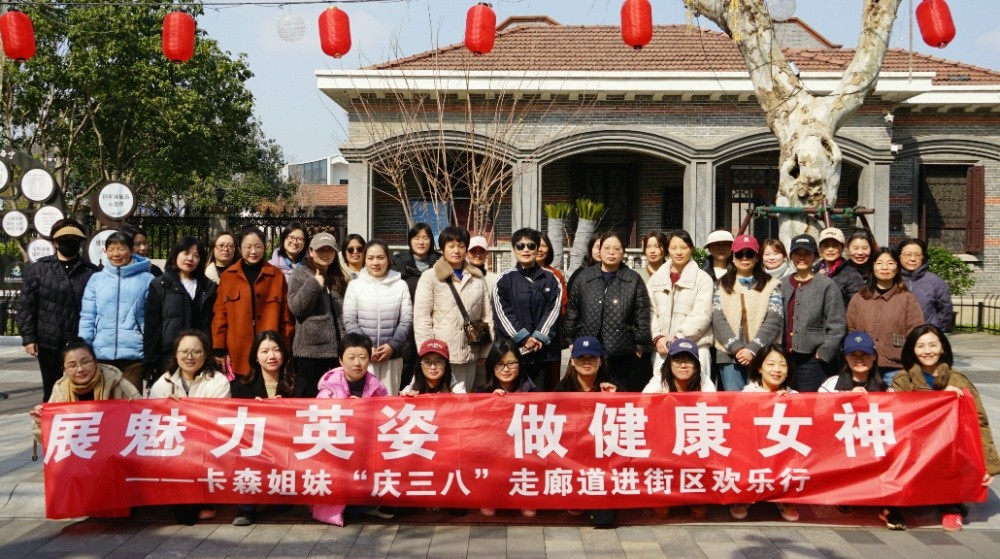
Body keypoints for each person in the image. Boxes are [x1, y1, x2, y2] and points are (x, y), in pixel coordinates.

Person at [892, 324, 999, 532]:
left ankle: (952, 507)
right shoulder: (902, 380)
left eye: (933, 345)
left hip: (950, 449)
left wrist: (988, 465)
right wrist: (940, 398)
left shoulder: (958, 380)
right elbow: (899, 419)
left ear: (943, 348)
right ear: (912, 350)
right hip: (916, 448)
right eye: (921, 346)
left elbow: (979, 421)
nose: (927, 351)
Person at [817, 331, 900, 527]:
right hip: (841, 448)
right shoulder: (831, 385)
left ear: (874, 356)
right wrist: (845, 399)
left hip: (874, 450)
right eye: (853, 354)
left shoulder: (886, 390)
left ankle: (888, 506)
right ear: (845, 357)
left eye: (865, 354)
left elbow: (896, 424)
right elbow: (819, 417)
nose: (859, 359)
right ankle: (847, 492)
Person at [148, 330, 230, 524]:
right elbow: (151, 418)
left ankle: (205, 501)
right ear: (176, 354)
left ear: (206, 354)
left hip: (205, 444)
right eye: (184, 351)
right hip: (173, 445)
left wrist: (183, 410)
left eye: (196, 351)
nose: (189, 357)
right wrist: (164, 406)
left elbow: (219, 419)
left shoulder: (219, 382)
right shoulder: (163, 382)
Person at [309, 332, 391, 526]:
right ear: (340, 360)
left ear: (369, 359)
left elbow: (387, 420)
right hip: (338, 455)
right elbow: (321, 427)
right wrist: (347, 412)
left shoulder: (378, 388)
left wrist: (366, 410)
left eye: (362, 357)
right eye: (351, 357)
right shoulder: (328, 391)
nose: (357, 363)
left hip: (367, 454)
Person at [17, 218, 99, 402]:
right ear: (55, 242)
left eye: (74, 239)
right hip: (49, 341)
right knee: (52, 391)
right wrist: (29, 338)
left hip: (81, 343)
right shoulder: (39, 269)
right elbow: (26, 305)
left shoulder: (91, 272)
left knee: (84, 391)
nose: (69, 243)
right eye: (64, 240)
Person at [565, 231, 651, 392]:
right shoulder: (584, 277)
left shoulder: (633, 279)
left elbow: (642, 314)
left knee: (620, 394)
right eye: (607, 248)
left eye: (617, 249)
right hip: (588, 348)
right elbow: (573, 310)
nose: (612, 253)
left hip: (622, 350)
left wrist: (640, 344)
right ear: (599, 251)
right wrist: (570, 339)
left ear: (623, 252)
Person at [413, 226, 493, 390]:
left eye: (461, 246)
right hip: (441, 356)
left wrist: (486, 351)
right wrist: (429, 353)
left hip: (471, 353)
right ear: (442, 249)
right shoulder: (430, 277)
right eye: (451, 246)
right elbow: (422, 318)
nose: (456, 250)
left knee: (466, 399)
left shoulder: (477, 278)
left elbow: (487, 316)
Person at [229, 330, 296, 526]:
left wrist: (286, 409)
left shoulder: (298, 386)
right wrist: (253, 411)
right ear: (256, 357)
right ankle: (246, 508)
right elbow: (230, 420)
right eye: (264, 351)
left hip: (285, 447)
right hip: (253, 446)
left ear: (284, 354)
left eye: (276, 350)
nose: (271, 356)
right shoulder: (240, 387)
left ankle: (281, 496)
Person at [643, 338, 711, 520]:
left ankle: (694, 493)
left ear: (696, 364)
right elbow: (640, 405)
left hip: (693, 440)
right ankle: (663, 493)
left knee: (700, 513)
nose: (683, 365)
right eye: (678, 360)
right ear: (669, 362)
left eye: (689, 360)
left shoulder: (704, 381)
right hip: (663, 442)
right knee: (661, 512)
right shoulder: (659, 379)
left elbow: (715, 409)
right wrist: (653, 402)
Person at [212, 226, 295, 377]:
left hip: (271, 353)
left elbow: (285, 317)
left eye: (258, 246)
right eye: (248, 247)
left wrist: (285, 347)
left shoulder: (276, 276)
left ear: (265, 247)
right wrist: (219, 349)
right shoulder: (228, 277)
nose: (253, 251)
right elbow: (220, 315)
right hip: (238, 352)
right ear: (239, 248)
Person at [553, 336, 617, 526]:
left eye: (592, 357)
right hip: (572, 454)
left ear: (601, 361)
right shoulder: (561, 389)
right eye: (581, 357)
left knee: (605, 519)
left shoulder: (612, 387)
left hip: (602, 456)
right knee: (575, 509)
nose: (586, 362)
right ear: (572, 361)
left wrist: (613, 401)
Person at [79, 230, 154, 392]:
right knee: (103, 400)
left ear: (131, 250)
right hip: (101, 353)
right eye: (111, 249)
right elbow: (87, 316)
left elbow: (152, 318)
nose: (116, 254)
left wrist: (149, 348)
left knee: (130, 400)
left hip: (134, 356)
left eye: (121, 248)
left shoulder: (147, 279)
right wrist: (85, 346)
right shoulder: (97, 279)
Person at [732, 344, 799, 522]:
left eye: (782, 365)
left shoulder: (795, 395)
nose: (777, 369)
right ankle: (743, 496)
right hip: (752, 453)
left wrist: (792, 405)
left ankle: (786, 498)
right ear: (759, 368)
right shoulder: (746, 394)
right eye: (770, 364)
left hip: (782, 454)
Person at [474, 338, 539, 518]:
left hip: (522, 451)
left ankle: (526, 493)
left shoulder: (532, 392)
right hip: (494, 452)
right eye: (500, 364)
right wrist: (489, 403)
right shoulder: (481, 393)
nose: (506, 369)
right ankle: (491, 494)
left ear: (520, 364)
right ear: (491, 366)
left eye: (511, 363)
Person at [711, 234, 784, 391]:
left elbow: (774, 320)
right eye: (739, 254)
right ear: (733, 257)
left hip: (763, 356)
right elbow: (717, 319)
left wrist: (752, 349)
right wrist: (737, 348)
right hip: (729, 355)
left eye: (749, 254)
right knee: (736, 403)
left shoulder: (772, 285)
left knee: (762, 402)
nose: (744, 258)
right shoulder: (721, 285)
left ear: (757, 257)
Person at [492, 228, 562, 390]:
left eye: (531, 246)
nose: (526, 250)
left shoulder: (551, 279)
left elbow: (554, 310)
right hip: (512, 353)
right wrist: (523, 338)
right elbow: (502, 314)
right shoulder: (503, 280)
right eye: (520, 246)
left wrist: (538, 337)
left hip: (542, 353)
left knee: (540, 399)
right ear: (514, 249)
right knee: (512, 397)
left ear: (537, 249)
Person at [29, 339, 140, 441]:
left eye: (85, 362)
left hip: (113, 446)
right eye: (72, 366)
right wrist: (41, 422)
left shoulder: (118, 384)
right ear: (64, 370)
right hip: (78, 450)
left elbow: (143, 420)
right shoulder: (61, 391)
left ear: (95, 361)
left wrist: (133, 411)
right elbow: (47, 439)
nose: (80, 369)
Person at [343, 239, 412, 395]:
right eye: (370, 258)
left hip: (392, 357)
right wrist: (366, 347)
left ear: (388, 259)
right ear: (365, 260)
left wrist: (392, 346)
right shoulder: (355, 286)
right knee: (364, 401)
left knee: (389, 400)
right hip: (363, 357)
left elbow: (406, 320)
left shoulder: (400, 285)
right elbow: (350, 320)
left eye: (380, 257)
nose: (375, 262)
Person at [646, 230, 713, 391]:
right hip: (663, 348)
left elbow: (702, 313)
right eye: (673, 247)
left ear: (691, 248)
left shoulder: (703, 279)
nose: (678, 252)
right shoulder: (656, 279)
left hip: (696, 348)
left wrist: (679, 338)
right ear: (667, 249)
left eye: (683, 247)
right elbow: (649, 311)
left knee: (698, 393)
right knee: (661, 393)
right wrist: (657, 337)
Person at [144, 236, 217, 384]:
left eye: (196, 255)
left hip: (199, 355)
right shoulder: (160, 285)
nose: (190, 258)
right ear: (176, 254)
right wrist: (152, 361)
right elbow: (152, 325)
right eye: (186, 253)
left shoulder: (208, 287)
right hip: (169, 356)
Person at [846, 247, 924, 384]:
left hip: (896, 368)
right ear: (873, 267)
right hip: (863, 366)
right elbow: (851, 330)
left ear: (897, 268)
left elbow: (916, 334)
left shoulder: (907, 299)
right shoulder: (859, 298)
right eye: (879, 263)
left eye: (890, 263)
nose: (884, 267)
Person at [287, 232, 350, 397]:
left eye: (329, 250)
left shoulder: (338, 277)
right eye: (321, 249)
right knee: (310, 400)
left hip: (337, 353)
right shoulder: (300, 274)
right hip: (310, 353)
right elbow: (297, 308)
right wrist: (313, 284)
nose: (325, 254)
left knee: (336, 398)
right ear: (311, 251)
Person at [781, 234, 846, 392]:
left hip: (813, 359)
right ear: (791, 257)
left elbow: (837, 324)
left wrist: (824, 352)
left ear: (815, 256)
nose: (801, 258)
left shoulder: (826, 285)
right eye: (797, 253)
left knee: (809, 401)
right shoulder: (782, 284)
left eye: (807, 254)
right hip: (785, 358)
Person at [392, 223, 441, 391]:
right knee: (407, 370)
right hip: (407, 326)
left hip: (434, 324)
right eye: (416, 237)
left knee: (433, 367)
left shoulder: (441, 263)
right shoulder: (398, 264)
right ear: (410, 240)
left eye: (425, 238)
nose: (421, 242)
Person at [897, 238, 954, 332]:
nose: (912, 259)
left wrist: (936, 331)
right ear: (899, 257)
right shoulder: (892, 279)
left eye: (917, 255)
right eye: (908, 255)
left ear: (923, 257)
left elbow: (945, 309)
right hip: (897, 337)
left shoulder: (935, 282)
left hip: (926, 336)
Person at [537, 231, 568, 388]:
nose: (540, 249)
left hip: (550, 338)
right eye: (536, 245)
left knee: (550, 381)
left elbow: (562, 306)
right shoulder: (516, 275)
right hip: (525, 339)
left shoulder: (556, 275)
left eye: (543, 245)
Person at [815, 227, 864, 307]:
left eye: (835, 245)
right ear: (820, 248)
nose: (830, 249)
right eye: (826, 246)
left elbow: (857, 306)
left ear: (842, 248)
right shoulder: (813, 272)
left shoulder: (852, 275)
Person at [401, 339, 467, 395]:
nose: (433, 367)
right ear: (420, 365)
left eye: (438, 362)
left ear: (446, 364)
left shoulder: (456, 389)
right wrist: (408, 397)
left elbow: (464, 398)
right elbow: (405, 392)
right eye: (427, 362)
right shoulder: (411, 389)